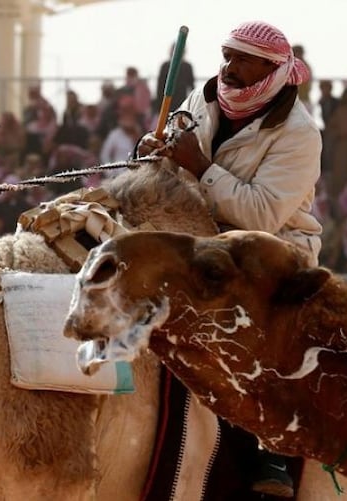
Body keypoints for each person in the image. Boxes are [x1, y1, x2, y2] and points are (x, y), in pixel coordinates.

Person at [137, 20, 322, 498]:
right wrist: (152, 151)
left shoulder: (300, 134)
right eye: (226, 55)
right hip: (197, 240)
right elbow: (171, 144)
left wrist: (200, 167)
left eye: (242, 59)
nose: (230, 68)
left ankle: (272, 453)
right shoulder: (204, 99)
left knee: (263, 329)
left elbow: (261, 213)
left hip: (271, 252)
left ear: (272, 67)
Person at [151, 42, 195, 118]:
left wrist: (192, 103)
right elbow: (160, 86)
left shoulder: (187, 66)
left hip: (181, 100)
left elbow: (191, 85)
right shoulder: (165, 66)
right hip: (167, 100)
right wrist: (159, 104)